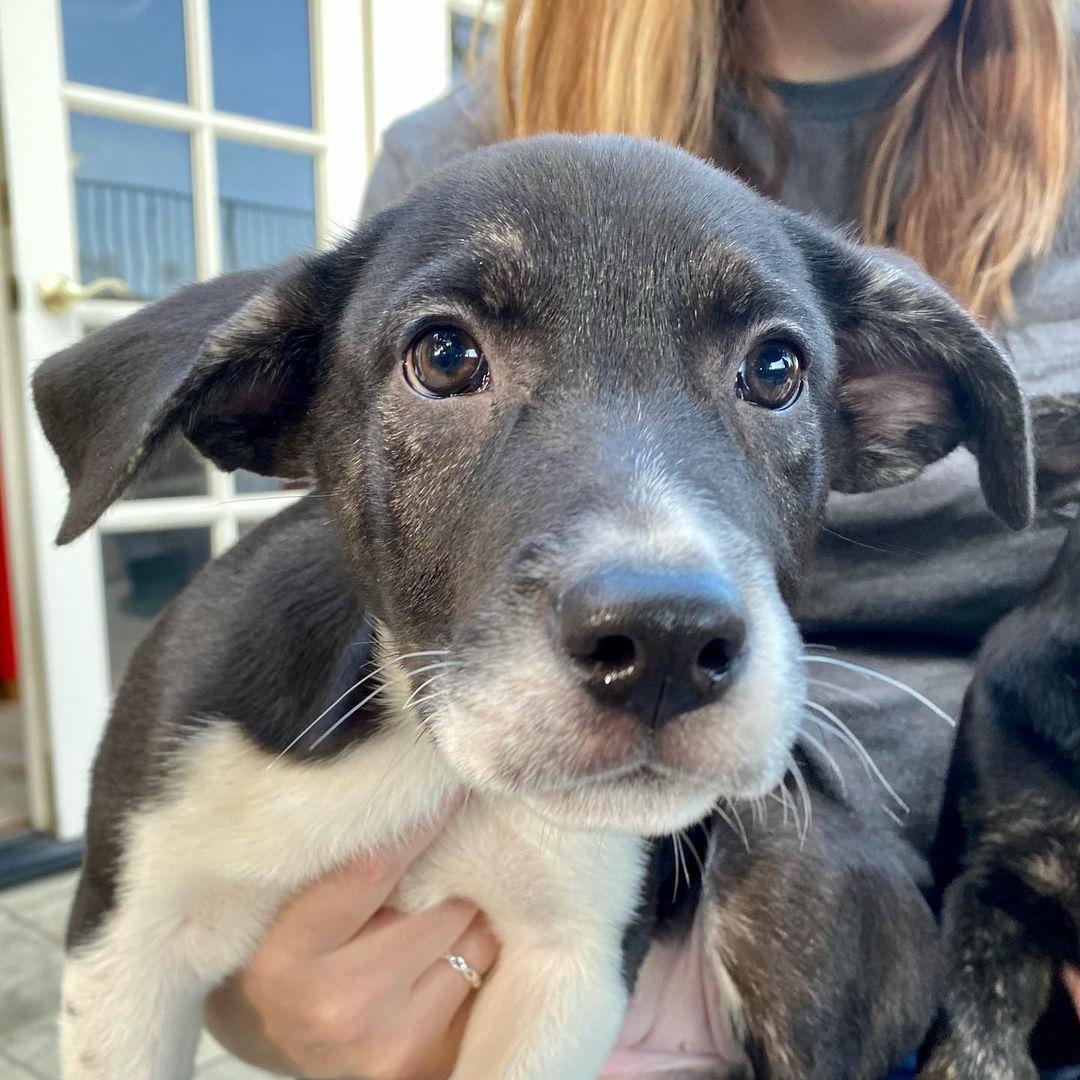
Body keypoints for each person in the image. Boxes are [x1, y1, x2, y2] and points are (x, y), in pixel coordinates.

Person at [205, 1, 1080, 1076]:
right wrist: (257, 978)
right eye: (449, 360)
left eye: (771, 374)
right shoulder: (453, 160)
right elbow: (350, 570)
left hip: (981, 946)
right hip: (535, 909)